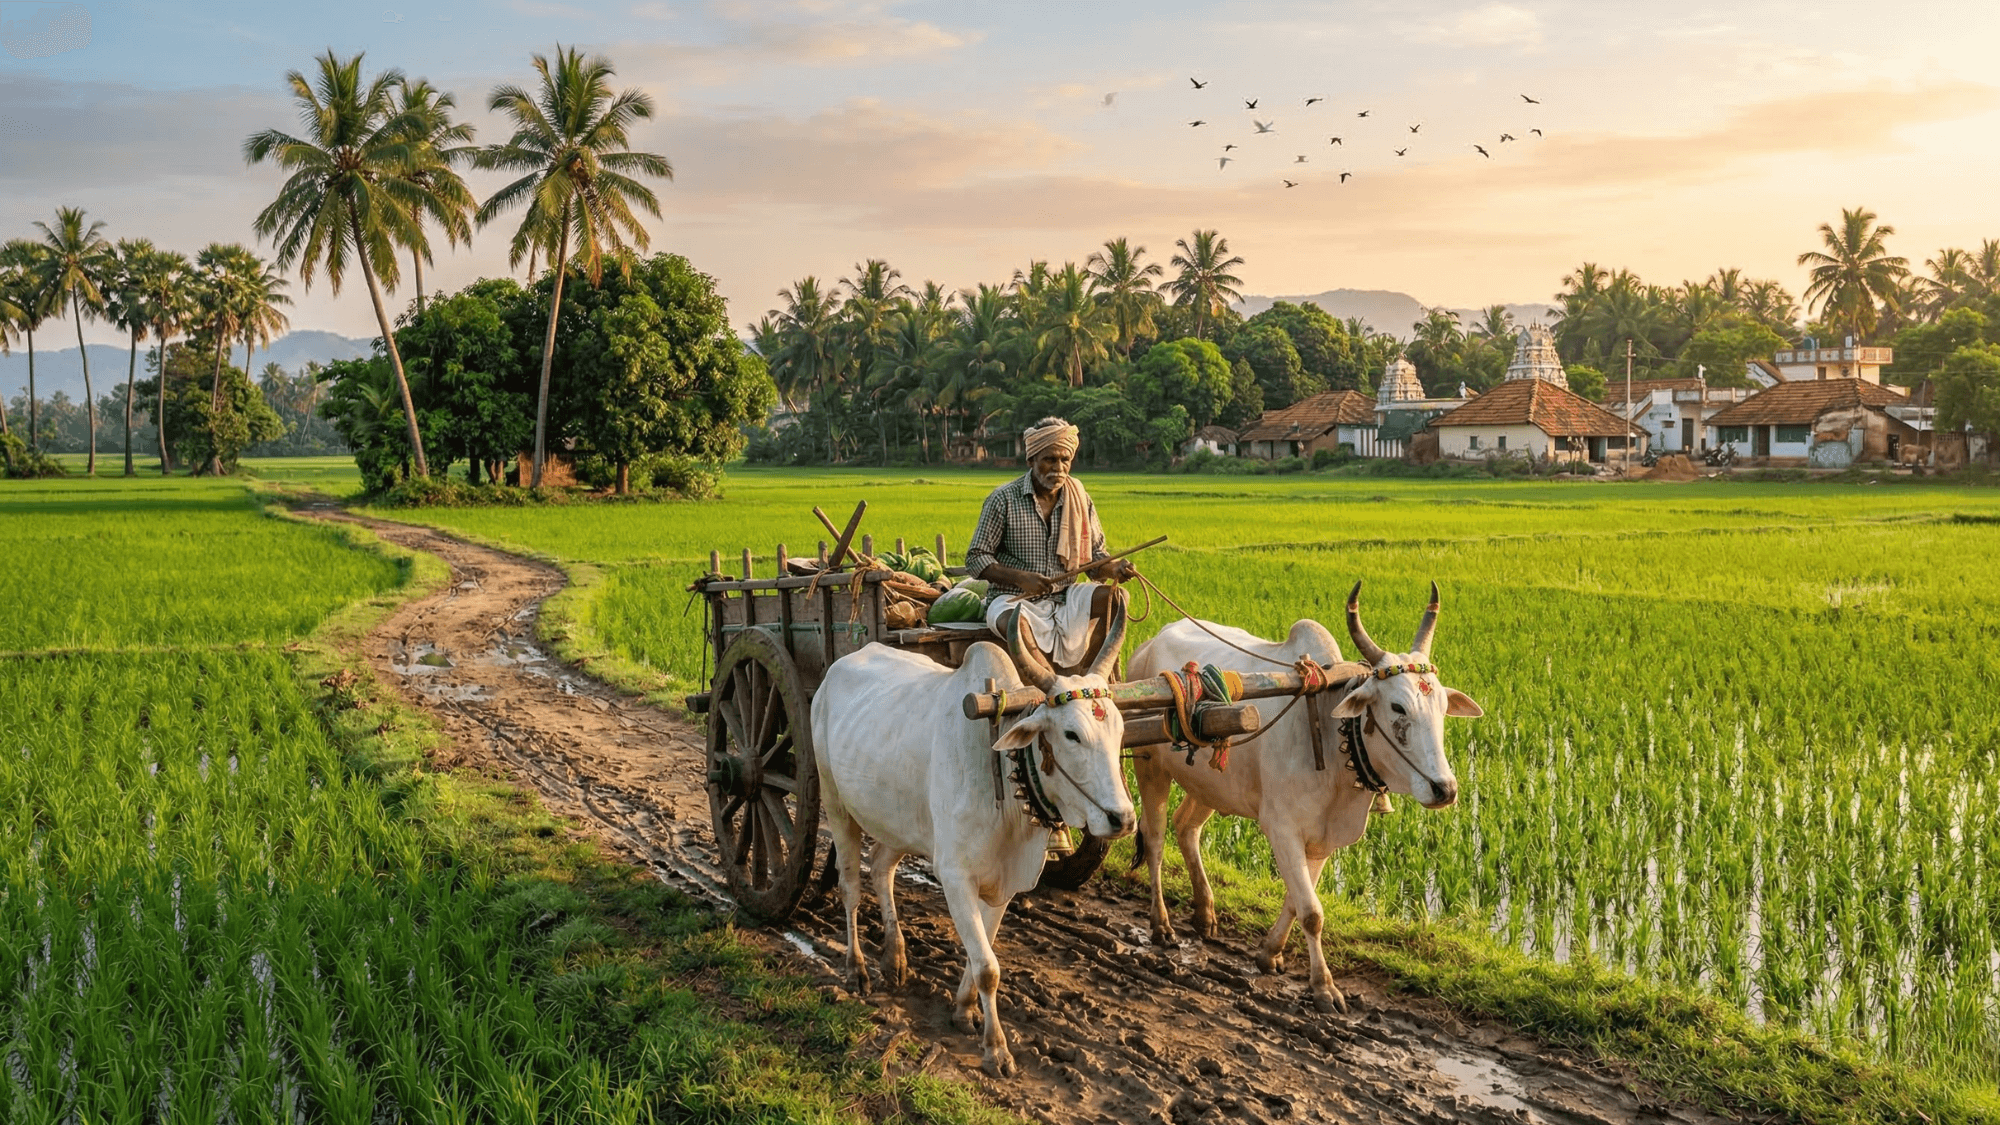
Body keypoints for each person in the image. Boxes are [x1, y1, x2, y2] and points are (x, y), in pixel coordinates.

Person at [963, 417, 1138, 671]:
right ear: (1031, 460)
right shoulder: (1003, 499)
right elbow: (976, 557)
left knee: (1117, 598)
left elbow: (1095, 559)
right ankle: (1050, 684)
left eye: (1064, 460)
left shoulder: (1080, 498)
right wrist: (1021, 578)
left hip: (1065, 597)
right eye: (1049, 459)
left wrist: (1115, 569)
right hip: (1012, 598)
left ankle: (1087, 676)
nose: (1058, 467)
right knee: (1014, 624)